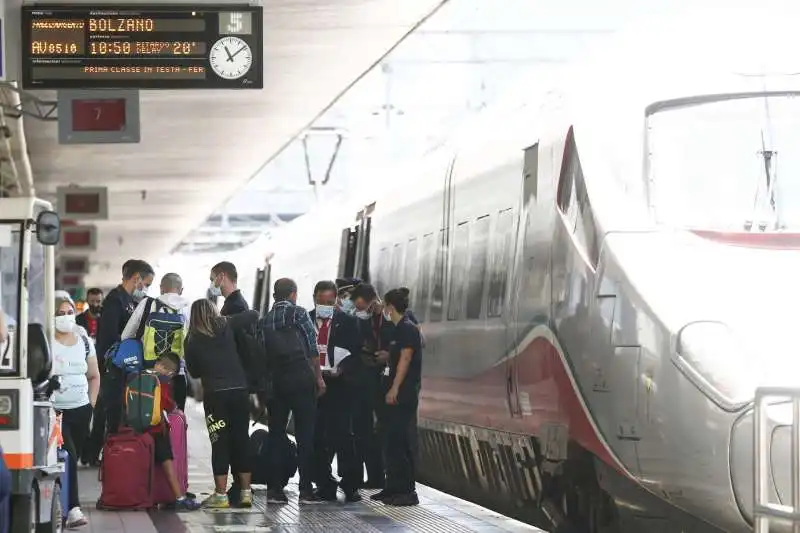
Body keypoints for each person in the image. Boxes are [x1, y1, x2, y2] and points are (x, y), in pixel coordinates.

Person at [256, 278, 325, 504]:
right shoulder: (299, 313)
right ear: (293, 294)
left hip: (277, 384)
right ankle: (305, 490)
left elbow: (261, 356)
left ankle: (275, 490)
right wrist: (319, 378)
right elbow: (313, 349)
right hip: (301, 381)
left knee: (276, 435)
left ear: (275, 295)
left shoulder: (264, 320)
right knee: (305, 435)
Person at [184, 299, 257, 509]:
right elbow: (254, 314)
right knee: (241, 440)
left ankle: (222, 495)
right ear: (213, 311)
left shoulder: (192, 339)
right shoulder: (226, 324)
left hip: (215, 396)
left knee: (220, 442)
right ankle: (245, 493)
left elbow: (195, 372)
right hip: (239, 392)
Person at [83, 259, 154, 466]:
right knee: (110, 414)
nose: (145, 289)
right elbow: (109, 337)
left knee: (111, 412)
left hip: (122, 368)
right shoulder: (115, 301)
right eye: (146, 284)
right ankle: (106, 455)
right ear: (136, 278)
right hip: (113, 368)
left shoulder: (130, 301)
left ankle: (101, 454)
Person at [310, 280, 363, 502]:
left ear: (335, 301)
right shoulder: (305, 319)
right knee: (316, 437)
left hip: (340, 388)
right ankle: (324, 483)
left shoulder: (348, 322)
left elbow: (357, 354)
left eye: (330, 302)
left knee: (343, 437)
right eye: (322, 302)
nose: (326, 306)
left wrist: (342, 369)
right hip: (314, 388)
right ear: (315, 299)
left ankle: (351, 485)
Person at [52, 295, 101, 527]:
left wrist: (91, 404)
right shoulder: (47, 341)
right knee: (69, 457)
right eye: (60, 313)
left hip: (81, 410)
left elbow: (94, 375)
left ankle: (59, 500)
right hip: (56, 412)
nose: (65, 317)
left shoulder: (84, 341)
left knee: (72, 458)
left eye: (68, 312)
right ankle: (73, 509)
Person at [375, 288, 422, 506]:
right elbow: (396, 357)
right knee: (391, 440)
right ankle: (393, 487)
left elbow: (405, 359)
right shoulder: (398, 329)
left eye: (385, 306)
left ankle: (407, 491)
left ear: (390, 308)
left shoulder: (408, 329)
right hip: (394, 394)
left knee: (402, 441)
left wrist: (394, 388)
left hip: (403, 396)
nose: (384, 310)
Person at [121, 273, 190, 410]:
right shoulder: (188, 308)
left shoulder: (147, 304)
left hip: (149, 374)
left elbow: (125, 336)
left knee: (146, 417)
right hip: (177, 375)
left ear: (161, 288)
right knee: (176, 419)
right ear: (181, 290)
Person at [142, 352, 201, 510]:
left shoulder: (139, 376)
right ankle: (179, 497)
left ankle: (146, 497)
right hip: (157, 430)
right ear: (169, 372)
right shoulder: (163, 381)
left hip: (139, 431)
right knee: (167, 462)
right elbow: (168, 405)